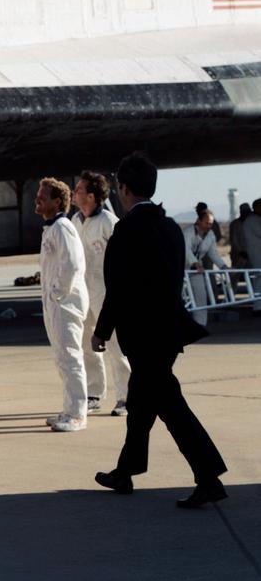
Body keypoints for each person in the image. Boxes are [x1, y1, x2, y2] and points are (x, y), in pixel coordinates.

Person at [93, 152, 227, 508]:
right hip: (168, 332)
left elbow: (118, 288)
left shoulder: (127, 231)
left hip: (143, 335)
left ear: (123, 189)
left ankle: (209, 476)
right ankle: (125, 471)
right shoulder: (170, 227)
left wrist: (101, 331)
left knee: (169, 404)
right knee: (141, 400)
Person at [72, 171, 131, 416]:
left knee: (117, 345)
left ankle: (127, 397)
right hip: (83, 292)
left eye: (79, 190)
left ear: (92, 196)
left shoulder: (109, 222)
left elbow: (125, 258)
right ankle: (94, 392)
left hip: (108, 293)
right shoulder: (75, 221)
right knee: (87, 343)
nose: (75, 193)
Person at [36, 176, 90, 432]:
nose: (38, 199)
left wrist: (57, 292)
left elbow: (73, 264)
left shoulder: (63, 227)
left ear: (57, 202)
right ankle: (69, 408)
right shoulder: (51, 228)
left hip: (65, 302)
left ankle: (78, 413)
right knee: (62, 357)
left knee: (70, 355)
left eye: (43, 197)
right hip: (56, 303)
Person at [184, 208, 228, 326]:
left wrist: (223, 266)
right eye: (206, 223)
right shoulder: (188, 232)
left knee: (201, 296)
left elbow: (213, 253)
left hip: (196, 270)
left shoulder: (210, 235)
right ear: (199, 220)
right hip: (182, 268)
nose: (208, 226)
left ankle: (200, 325)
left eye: (211, 224)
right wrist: (194, 262)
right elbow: (186, 250)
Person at [228, 202, 251, 269]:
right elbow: (234, 240)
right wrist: (241, 252)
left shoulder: (252, 223)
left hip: (250, 255)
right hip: (238, 256)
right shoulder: (235, 224)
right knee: (236, 274)